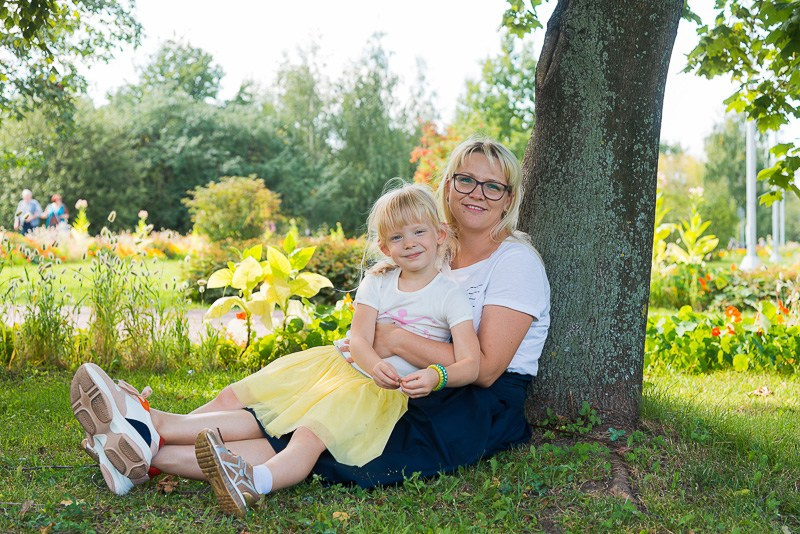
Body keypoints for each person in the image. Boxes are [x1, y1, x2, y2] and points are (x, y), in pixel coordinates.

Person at [70, 182, 482, 516]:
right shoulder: (378, 281)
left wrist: (434, 375)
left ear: (440, 234)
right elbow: (358, 337)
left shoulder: (450, 295)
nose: (409, 243)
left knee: (305, 436)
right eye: (397, 236)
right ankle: (140, 434)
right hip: (336, 367)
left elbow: (471, 362)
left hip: (373, 393)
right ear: (384, 247)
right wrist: (371, 361)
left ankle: (245, 478)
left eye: (418, 232)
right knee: (248, 402)